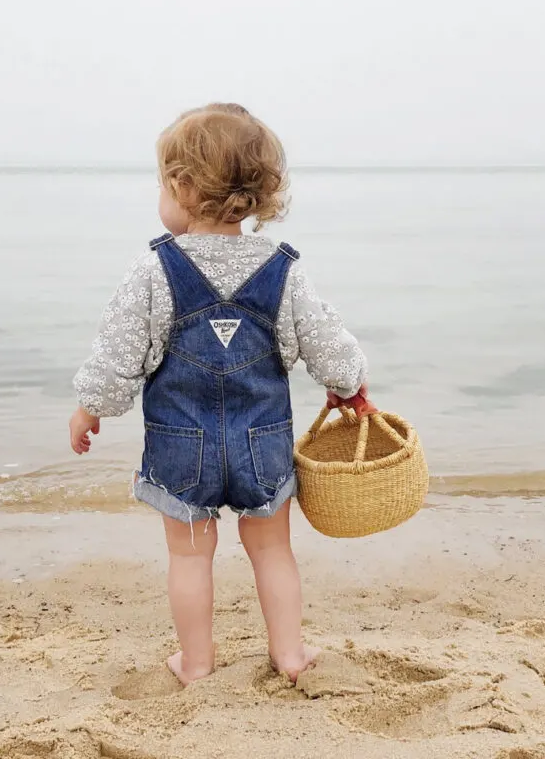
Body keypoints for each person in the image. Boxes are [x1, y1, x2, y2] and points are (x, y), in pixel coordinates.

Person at [69, 103, 374, 686]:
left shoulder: (155, 268)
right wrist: (347, 387)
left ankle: (198, 663)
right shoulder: (281, 269)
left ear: (183, 187)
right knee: (272, 552)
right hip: (263, 444)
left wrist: (90, 407)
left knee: (189, 556)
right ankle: (289, 654)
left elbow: (118, 353)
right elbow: (327, 342)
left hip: (183, 447)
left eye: (162, 182)